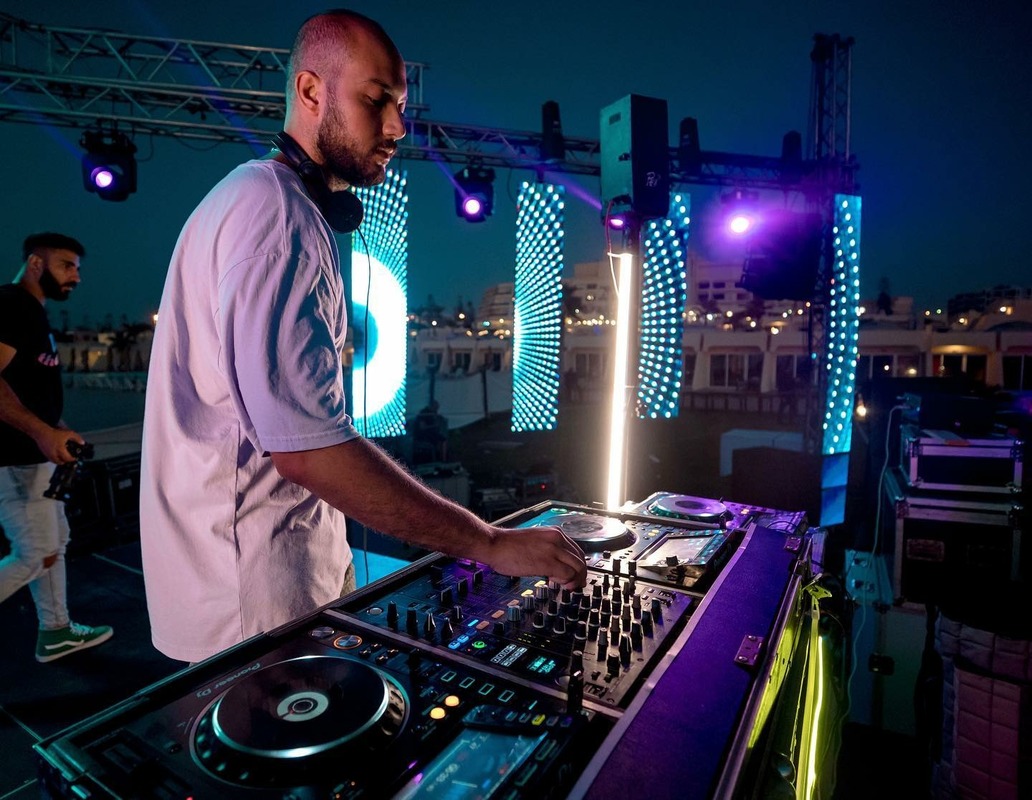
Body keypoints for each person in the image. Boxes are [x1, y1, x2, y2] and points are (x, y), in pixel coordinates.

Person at [139, 9, 587, 664]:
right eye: (376, 100)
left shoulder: (251, 199)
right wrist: (488, 543)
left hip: (252, 592)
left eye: (400, 105)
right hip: (258, 609)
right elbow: (310, 451)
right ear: (311, 91)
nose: (399, 126)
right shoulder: (277, 216)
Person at [0, 233, 114, 663]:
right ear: (35, 263)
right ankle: (55, 629)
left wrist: (58, 429)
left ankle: (56, 631)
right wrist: (41, 433)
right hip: (14, 460)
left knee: (54, 544)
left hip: (35, 456)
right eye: (67, 265)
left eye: (77, 269)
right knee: (34, 555)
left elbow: (25, 388)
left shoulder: (32, 312)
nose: (76, 277)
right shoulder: (11, 305)